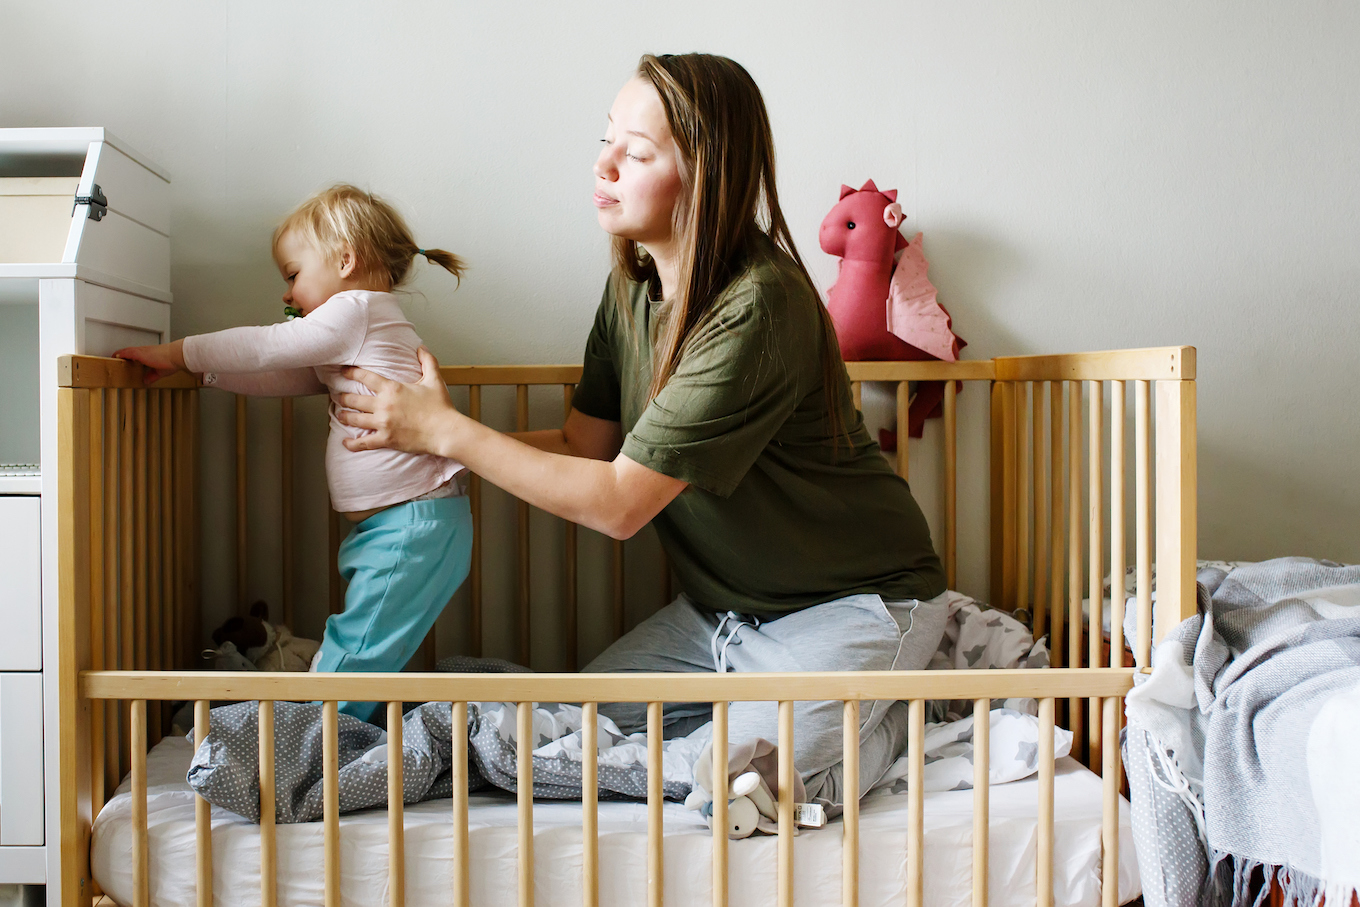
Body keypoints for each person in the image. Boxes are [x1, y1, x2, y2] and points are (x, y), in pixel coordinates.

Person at [334, 54, 949, 812]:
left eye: (639, 152)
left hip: (854, 602)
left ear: (706, 176)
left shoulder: (758, 305)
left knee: (762, 780)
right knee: (561, 728)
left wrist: (451, 431)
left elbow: (619, 503)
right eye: (606, 140)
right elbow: (586, 448)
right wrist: (430, 443)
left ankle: (892, 709)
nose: (606, 164)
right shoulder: (632, 284)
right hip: (722, 614)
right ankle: (848, 702)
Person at [114, 184, 470, 722]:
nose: (287, 296)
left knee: (354, 654)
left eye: (292, 275)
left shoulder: (355, 310)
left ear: (345, 261)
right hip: (403, 527)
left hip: (412, 526)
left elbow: (266, 347)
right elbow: (290, 375)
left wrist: (176, 352)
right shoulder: (361, 320)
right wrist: (206, 373)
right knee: (360, 651)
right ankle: (342, 739)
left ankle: (306, 752)